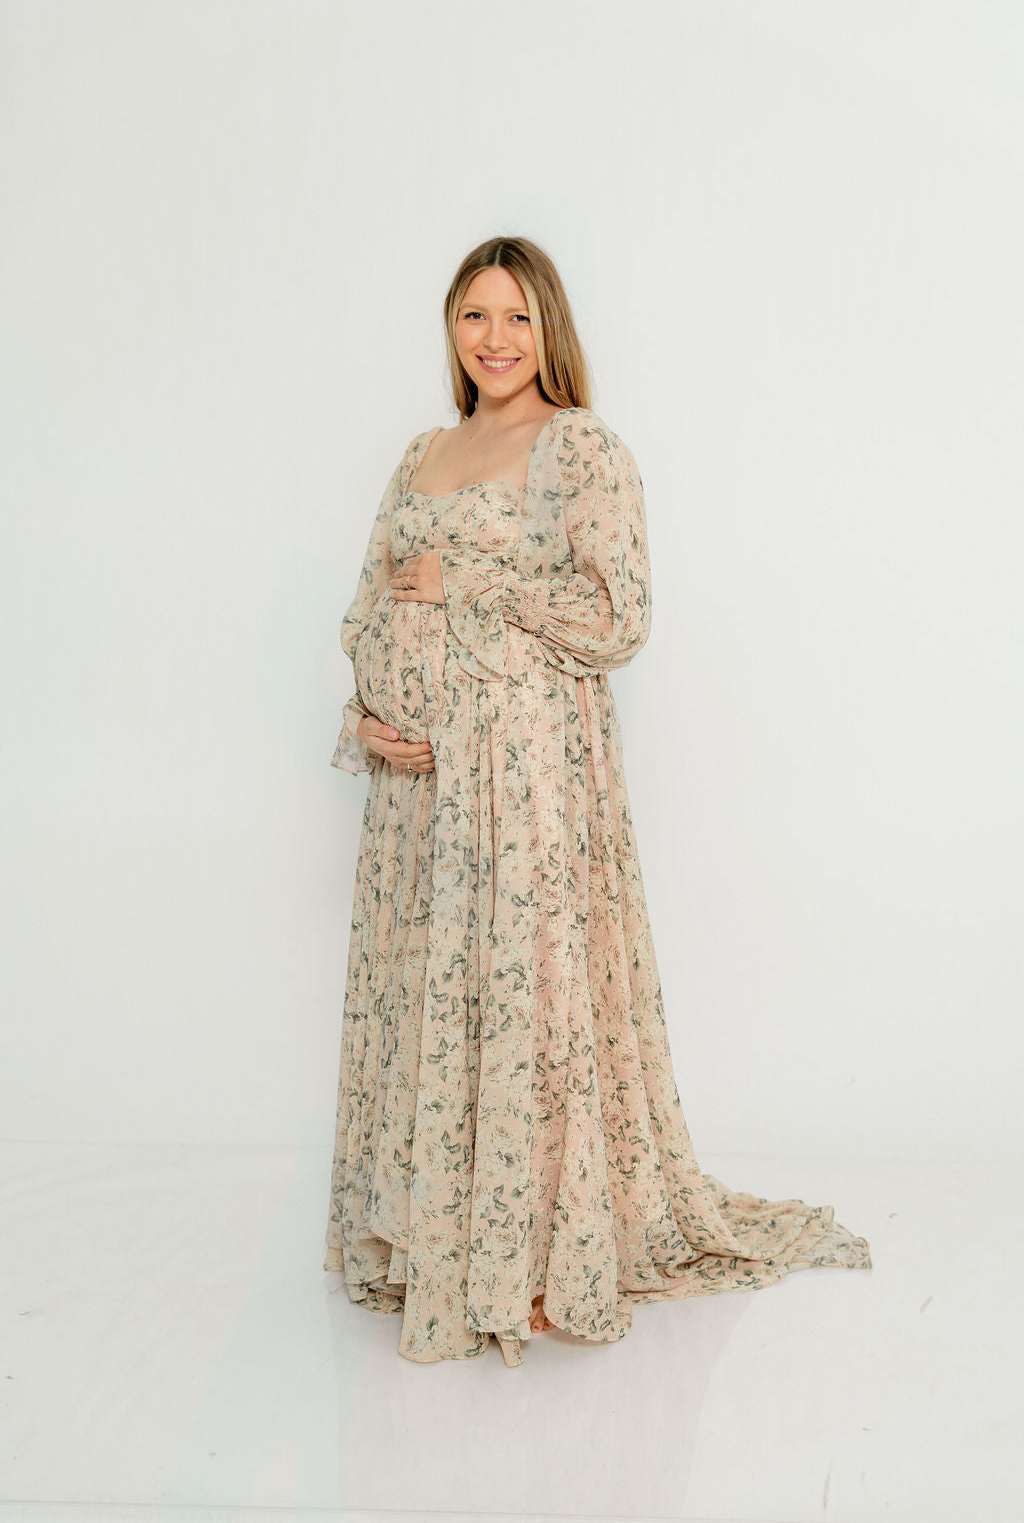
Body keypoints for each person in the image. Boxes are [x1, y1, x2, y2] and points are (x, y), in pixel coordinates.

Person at [323, 236, 872, 1367]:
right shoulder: (421, 453)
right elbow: (371, 603)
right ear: (450, 327)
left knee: (524, 995)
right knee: (430, 990)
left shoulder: (579, 448)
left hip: (522, 779)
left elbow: (618, 615)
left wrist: (470, 581)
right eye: (474, 315)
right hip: (418, 794)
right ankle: (443, 1245)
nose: (495, 339)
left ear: (551, 329)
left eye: (517, 317)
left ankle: (532, 1261)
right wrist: (367, 717)